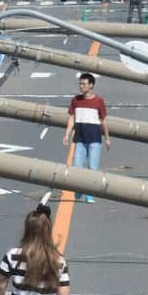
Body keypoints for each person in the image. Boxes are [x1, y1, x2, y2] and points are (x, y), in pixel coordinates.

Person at [62, 73, 110, 203]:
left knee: (92, 169)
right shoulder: (75, 100)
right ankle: (79, 189)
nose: (81, 86)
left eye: (84, 84)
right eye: (80, 84)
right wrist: (67, 134)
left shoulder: (98, 101)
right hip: (80, 139)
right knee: (77, 167)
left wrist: (107, 138)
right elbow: (71, 118)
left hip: (95, 139)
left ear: (91, 85)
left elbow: (104, 120)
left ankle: (90, 194)